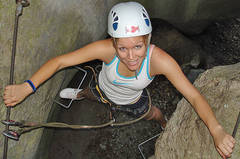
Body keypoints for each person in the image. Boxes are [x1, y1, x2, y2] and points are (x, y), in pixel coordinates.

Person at [3, 1, 235, 158]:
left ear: (148, 39)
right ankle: (79, 94)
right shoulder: (106, 50)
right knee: (89, 94)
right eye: (122, 48)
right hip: (102, 90)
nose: (131, 56)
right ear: (113, 43)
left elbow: (193, 95)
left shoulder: (160, 61)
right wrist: (28, 86)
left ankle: (163, 123)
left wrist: (216, 130)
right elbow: (61, 61)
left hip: (133, 100)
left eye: (138, 46)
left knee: (152, 112)